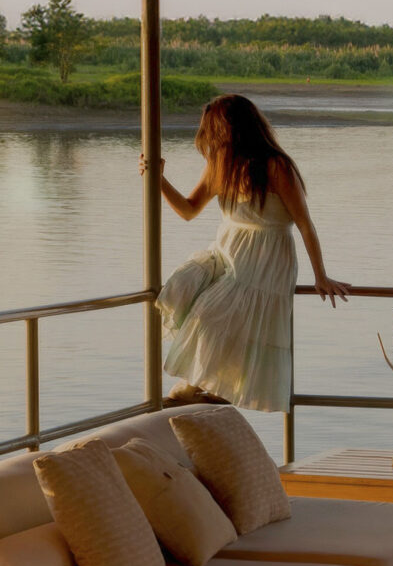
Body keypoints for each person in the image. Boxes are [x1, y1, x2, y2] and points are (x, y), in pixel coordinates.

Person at [139, 94, 350, 411]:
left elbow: (305, 224)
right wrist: (158, 179)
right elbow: (188, 210)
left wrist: (321, 275)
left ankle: (208, 388)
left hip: (266, 257)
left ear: (232, 130)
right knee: (183, 288)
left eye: (213, 131)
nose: (209, 139)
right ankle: (209, 388)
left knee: (211, 314)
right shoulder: (220, 166)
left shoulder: (276, 166)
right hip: (228, 251)